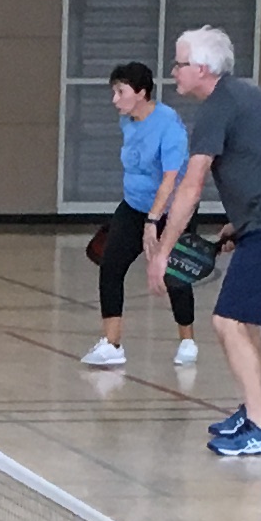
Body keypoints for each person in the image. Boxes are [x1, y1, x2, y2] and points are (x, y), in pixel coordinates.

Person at [146, 26, 261, 457]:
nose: (173, 72)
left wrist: (162, 252)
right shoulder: (246, 95)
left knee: (226, 321)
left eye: (179, 63)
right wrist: (241, 222)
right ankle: (258, 412)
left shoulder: (218, 108)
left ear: (201, 69)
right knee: (242, 319)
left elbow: (191, 185)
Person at [84, 61, 200, 370]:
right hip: (133, 205)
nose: (114, 99)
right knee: (110, 265)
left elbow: (170, 179)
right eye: (114, 91)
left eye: (120, 92)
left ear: (141, 92)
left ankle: (187, 340)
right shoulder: (128, 121)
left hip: (170, 209)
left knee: (175, 275)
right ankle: (111, 344)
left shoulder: (169, 127)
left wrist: (153, 221)